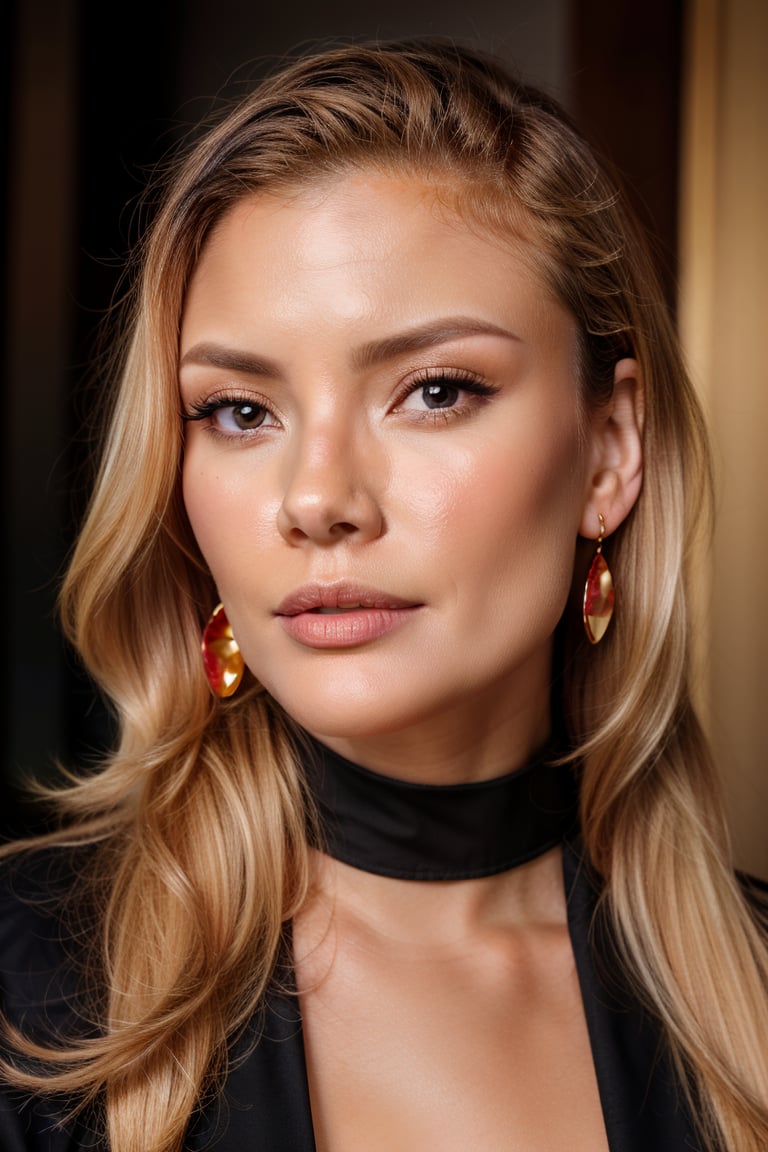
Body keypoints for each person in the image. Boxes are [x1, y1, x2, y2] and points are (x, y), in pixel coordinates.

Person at [1, 36, 766, 1152]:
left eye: (435, 390)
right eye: (239, 411)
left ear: (609, 451)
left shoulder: (748, 1005)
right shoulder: (28, 992)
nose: (316, 500)